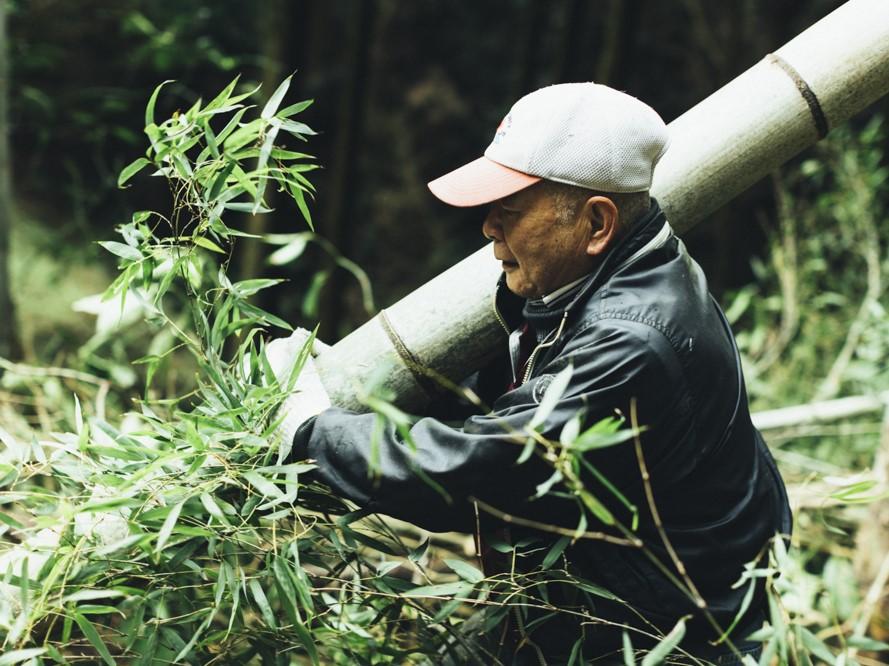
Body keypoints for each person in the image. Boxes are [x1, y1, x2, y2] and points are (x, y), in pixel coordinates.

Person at [269, 82, 792, 664]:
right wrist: (360, 391)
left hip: (664, 635)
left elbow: (477, 470)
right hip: (604, 591)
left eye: (509, 211)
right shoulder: (598, 278)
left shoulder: (631, 342)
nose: (489, 227)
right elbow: (495, 406)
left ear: (596, 224)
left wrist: (311, 428)